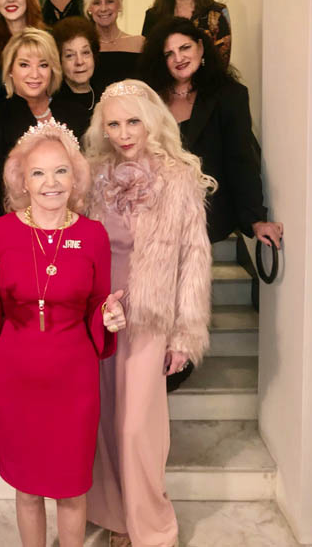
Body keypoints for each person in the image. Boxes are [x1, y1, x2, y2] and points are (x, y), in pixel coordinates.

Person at [0, 119, 126, 547]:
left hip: (73, 377)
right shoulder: (0, 230)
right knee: (27, 486)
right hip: (15, 375)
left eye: (60, 171)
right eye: (38, 172)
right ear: (22, 181)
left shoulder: (92, 235)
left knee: (72, 487)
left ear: (75, 177)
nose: (50, 182)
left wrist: (108, 318)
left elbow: (97, 304)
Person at [83, 79, 215, 547]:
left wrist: (185, 334)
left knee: (139, 428)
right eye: (113, 123)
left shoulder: (180, 176)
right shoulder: (90, 175)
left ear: (152, 121)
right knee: (105, 423)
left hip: (151, 317)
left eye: (133, 121)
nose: (123, 133)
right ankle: (117, 517)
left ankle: (153, 527)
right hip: (100, 315)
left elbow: (194, 259)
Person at [140, 17, 283, 248]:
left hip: (207, 219)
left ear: (201, 46)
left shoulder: (230, 96)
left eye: (185, 47)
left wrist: (256, 219)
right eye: (169, 53)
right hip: (154, 218)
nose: (179, 58)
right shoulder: (149, 98)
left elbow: (241, 159)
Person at [0, 27, 90, 224]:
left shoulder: (77, 115)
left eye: (43, 65)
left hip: (75, 227)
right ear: (10, 70)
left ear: (53, 69)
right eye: (24, 65)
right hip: (17, 231)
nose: (35, 74)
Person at [83, 0, 143, 92]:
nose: (104, 8)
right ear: (89, 7)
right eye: (96, 3)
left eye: (110, 1)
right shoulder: (84, 48)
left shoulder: (139, 43)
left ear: (120, 3)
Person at [52, 16, 100, 121]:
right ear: (59, 61)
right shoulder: (52, 105)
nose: (79, 61)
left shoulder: (105, 97)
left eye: (85, 53)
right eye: (70, 55)